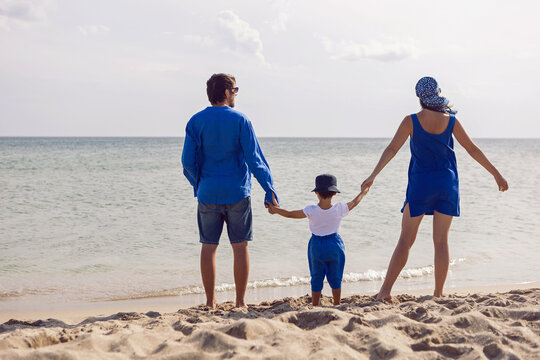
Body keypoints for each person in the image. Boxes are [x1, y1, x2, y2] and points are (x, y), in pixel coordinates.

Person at [361, 76, 509, 301]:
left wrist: (373, 175)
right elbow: (473, 149)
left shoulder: (411, 121)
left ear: (419, 97)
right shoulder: (451, 121)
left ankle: (385, 291)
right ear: (437, 94)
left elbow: (392, 149)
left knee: (405, 240)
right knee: (441, 241)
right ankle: (438, 293)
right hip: (447, 184)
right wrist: (496, 174)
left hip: (421, 185)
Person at [181, 73, 278, 309]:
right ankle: (240, 302)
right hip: (237, 193)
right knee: (240, 246)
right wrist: (269, 188)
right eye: (234, 90)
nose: (235, 94)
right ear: (226, 92)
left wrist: (199, 184)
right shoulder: (241, 120)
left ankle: (210, 302)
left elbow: (187, 162)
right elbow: (254, 160)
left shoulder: (196, 121)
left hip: (208, 193)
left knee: (208, 247)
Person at [266, 174, 368, 306]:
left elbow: (291, 214)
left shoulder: (311, 210)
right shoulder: (339, 208)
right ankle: (337, 304)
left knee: (316, 276)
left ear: (316, 193)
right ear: (335, 194)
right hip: (335, 245)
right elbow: (355, 202)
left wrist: (276, 210)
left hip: (316, 246)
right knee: (336, 276)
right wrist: (363, 192)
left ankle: (315, 305)